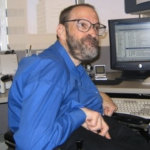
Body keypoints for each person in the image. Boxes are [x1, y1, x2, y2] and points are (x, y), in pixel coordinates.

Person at [8, 3, 149, 150]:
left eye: (95, 27)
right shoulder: (50, 69)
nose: (93, 33)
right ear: (61, 31)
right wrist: (80, 115)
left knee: (140, 142)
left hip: (81, 125)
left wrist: (100, 96)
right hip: (59, 138)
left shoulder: (72, 64)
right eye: (83, 24)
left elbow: (66, 92)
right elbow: (32, 145)